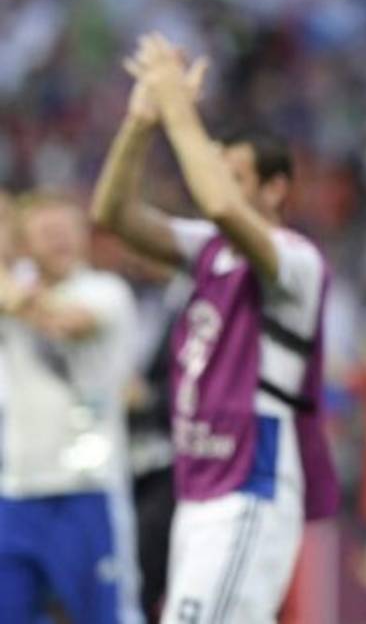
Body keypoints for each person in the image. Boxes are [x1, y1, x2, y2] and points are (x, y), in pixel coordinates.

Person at [90, 34, 340, 622]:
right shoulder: (208, 249)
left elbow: (224, 207)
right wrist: (140, 120)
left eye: (234, 175)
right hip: (198, 484)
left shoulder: (295, 260)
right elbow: (112, 214)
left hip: (250, 479)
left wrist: (179, 104)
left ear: (275, 189)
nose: (216, 188)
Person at [0, 190, 143, 624]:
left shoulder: (105, 291)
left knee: (106, 616)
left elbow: (67, 323)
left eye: (68, 229)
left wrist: (14, 295)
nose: (61, 241)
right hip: (18, 490)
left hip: (88, 489)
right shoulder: (11, 292)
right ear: (24, 244)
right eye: (47, 233)